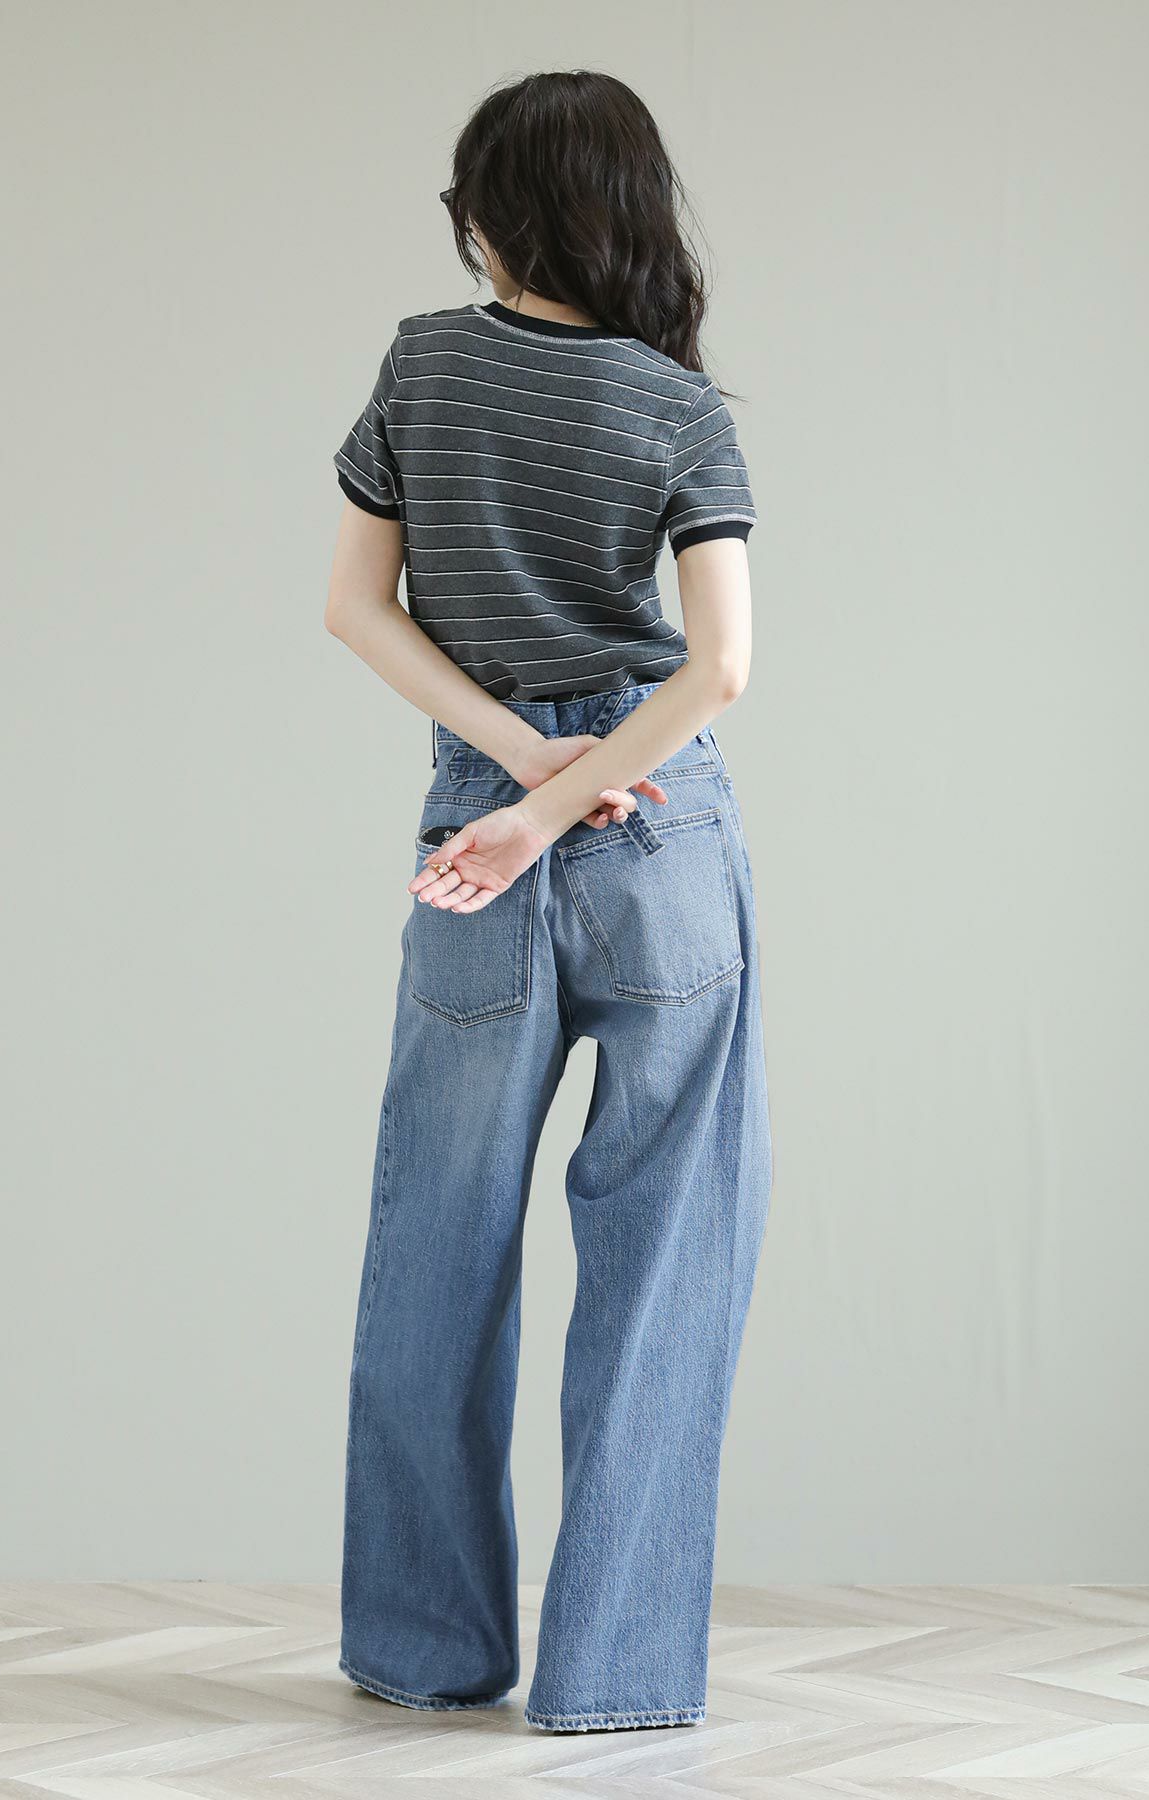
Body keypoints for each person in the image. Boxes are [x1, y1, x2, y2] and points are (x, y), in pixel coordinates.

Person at [324, 69, 773, 1735]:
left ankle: (424, 1653)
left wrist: (517, 787)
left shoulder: (421, 364)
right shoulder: (678, 406)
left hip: (479, 830)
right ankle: (619, 1677)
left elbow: (353, 608)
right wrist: (571, 797)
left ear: (488, 216)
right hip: (658, 831)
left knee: (432, 1245)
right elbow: (719, 669)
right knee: (667, 1260)